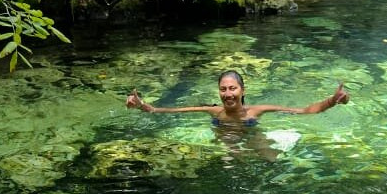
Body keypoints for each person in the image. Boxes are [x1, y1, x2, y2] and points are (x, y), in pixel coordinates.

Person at [126, 70, 350, 127]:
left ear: (242, 90)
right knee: (229, 161)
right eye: (223, 89)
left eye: (232, 88)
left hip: (252, 133)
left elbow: (304, 111)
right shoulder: (214, 111)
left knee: (270, 159)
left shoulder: (258, 110)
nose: (227, 94)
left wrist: (332, 100)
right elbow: (163, 111)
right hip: (226, 139)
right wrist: (142, 106)